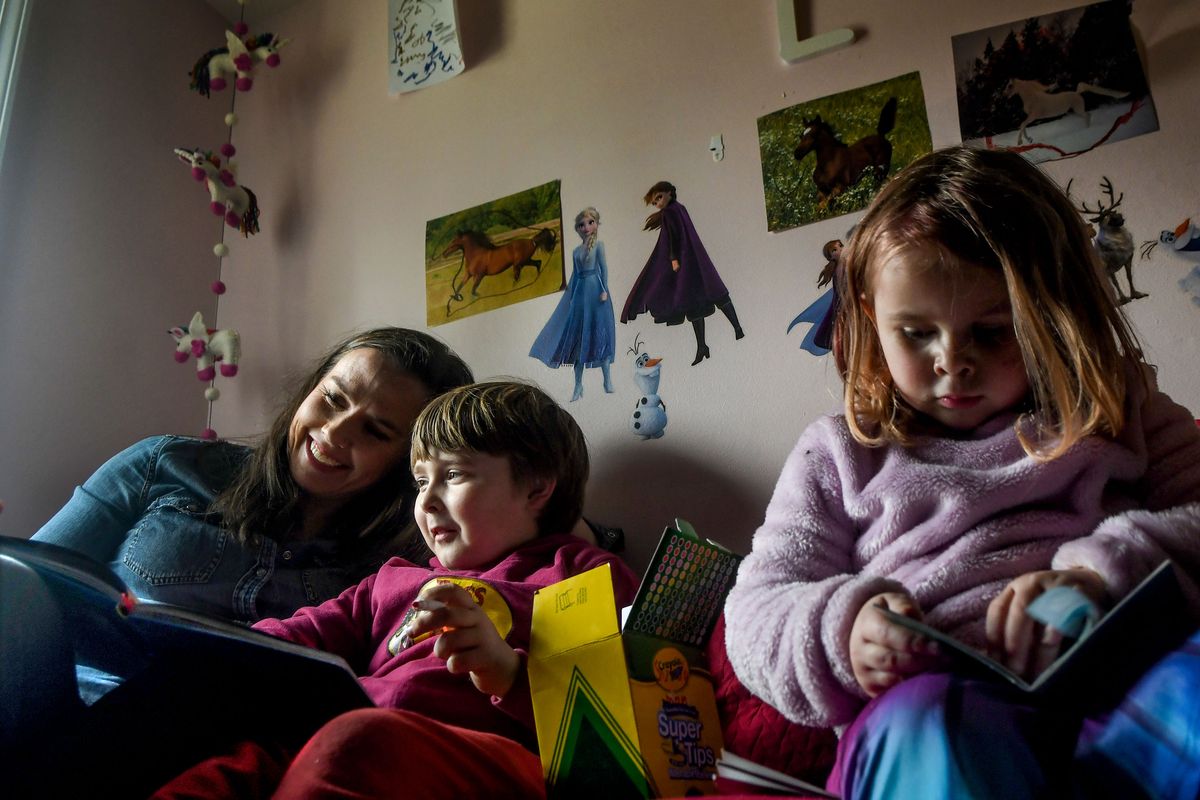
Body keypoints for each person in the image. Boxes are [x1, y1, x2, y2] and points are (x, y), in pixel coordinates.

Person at [724, 146, 1200, 800]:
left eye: (993, 332)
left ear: (1054, 313)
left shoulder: (1117, 404)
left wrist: (1100, 574)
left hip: (1115, 709)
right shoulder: (837, 453)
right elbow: (752, 612)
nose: (952, 363)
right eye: (916, 334)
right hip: (930, 725)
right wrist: (843, 630)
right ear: (870, 317)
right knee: (930, 727)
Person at [153, 380, 640, 799]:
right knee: (228, 765)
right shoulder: (393, 580)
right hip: (346, 738)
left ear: (537, 488)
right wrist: (202, 646)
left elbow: (605, 733)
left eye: (453, 475)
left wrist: (509, 675)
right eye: (420, 481)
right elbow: (299, 636)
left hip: (485, 760)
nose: (427, 500)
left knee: (358, 738)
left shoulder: (577, 571)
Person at [32, 326, 474, 631]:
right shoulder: (162, 463)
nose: (335, 432)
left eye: (375, 431)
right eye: (333, 398)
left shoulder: (399, 565)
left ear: (407, 463)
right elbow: (27, 583)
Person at [621, 180, 744, 365]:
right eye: (655, 202)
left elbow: (672, 238)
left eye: (659, 198)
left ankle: (716, 339)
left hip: (687, 261)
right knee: (705, 296)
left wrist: (673, 259)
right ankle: (727, 333)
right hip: (695, 258)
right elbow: (673, 235)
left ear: (670, 193)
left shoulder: (672, 211)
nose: (658, 203)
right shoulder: (677, 209)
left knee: (699, 299)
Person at [530, 206, 616, 401]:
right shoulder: (576, 251)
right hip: (580, 295)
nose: (586, 227)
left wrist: (604, 290)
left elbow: (604, 269)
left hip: (596, 292)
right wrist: (569, 297)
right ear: (577, 229)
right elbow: (575, 275)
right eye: (581, 225)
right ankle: (578, 386)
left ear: (596, 224)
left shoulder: (599, 246)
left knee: (600, 336)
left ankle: (607, 379)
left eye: (590, 223)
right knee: (579, 340)